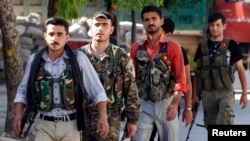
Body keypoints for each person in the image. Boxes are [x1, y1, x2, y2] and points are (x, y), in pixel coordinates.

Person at [12, 17, 109, 141]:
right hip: (43, 124)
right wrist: (19, 114)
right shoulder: (35, 60)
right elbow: (23, 91)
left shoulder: (79, 59)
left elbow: (97, 91)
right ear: (45, 36)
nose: (55, 38)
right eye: (51, 34)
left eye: (59, 34)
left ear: (67, 37)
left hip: (70, 125)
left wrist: (103, 117)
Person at [79, 10, 141, 141]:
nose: (100, 28)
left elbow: (131, 90)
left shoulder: (120, 56)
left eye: (104, 25)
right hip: (81, 120)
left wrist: (133, 120)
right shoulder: (79, 56)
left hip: (110, 121)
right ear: (91, 28)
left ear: (111, 29)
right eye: (97, 24)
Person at [130, 5, 189, 141]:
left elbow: (181, 80)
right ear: (143, 23)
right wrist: (130, 108)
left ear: (161, 21)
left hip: (166, 104)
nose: (150, 22)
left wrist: (175, 104)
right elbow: (132, 80)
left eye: (154, 18)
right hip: (144, 105)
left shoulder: (173, 47)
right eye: (146, 20)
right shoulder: (136, 47)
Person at [193, 12, 248, 128]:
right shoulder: (203, 46)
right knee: (211, 127)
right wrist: (194, 95)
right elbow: (197, 73)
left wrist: (244, 93)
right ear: (209, 26)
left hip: (225, 92)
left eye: (218, 25)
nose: (215, 28)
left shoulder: (231, 45)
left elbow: (240, 69)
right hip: (207, 94)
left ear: (224, 26)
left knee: (224, 122)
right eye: (212, 25)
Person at [149, 16, 193, 141]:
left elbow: (186, 80)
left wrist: (188, 108)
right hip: (148, 105)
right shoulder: (145, 48)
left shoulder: (178, 50)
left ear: (168, 34)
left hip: (169, 105)